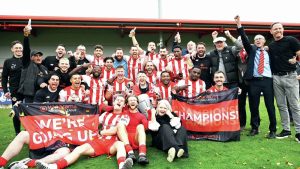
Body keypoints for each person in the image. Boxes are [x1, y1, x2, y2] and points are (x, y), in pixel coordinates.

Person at [36, 95, 133, 169]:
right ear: (113, 102)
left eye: (121, 101)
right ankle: (54, 167)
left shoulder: (125, 116)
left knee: (120, 144)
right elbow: (91, 123)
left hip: (112, 143)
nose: (119, 101)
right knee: (78, 149)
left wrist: (101, 132)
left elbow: (115, 130)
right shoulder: (105, 115)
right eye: (117, 100)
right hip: (98, 142)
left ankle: (122, 165)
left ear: (124, 105)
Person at [235, 15, 277, 138]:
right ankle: (255, 128)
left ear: (264, 41)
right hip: (254, 82)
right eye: (256, 39)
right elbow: (243, 38)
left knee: (270, 105)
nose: (258, 40)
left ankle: (273, 129)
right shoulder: (251, 50)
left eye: (260, 39)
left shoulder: (270, 50)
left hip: (268, 81)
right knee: (254, 105)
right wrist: (239, 25)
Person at [268, 22, 300, 141]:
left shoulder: (291, 40)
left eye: (280, 28)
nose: (278, 31)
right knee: (281, 105)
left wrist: (296, 59)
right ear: (271, 31)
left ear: (283, 29)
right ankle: (286, 130)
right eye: (275, 29)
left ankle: (298, 132)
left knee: (294, 105)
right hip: (276, 78)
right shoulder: (271, 45)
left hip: (290, 76)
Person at [18, 25, 48, 103]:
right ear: (31, 58)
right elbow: (27, 50)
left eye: (40, 56)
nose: (38, 57)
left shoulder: (44, 68)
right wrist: (26, 36)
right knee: (28, 115)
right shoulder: (27, 64)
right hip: (29, 96)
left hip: (41, 96)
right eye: (35, 56)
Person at [1, 40, 23, 135]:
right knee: (16, 112)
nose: (18, 49)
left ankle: (29, 132)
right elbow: (4, 77)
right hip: (15, 91)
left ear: (22, 49)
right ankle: (17, 133)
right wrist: (6, 90)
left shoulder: (27, 60)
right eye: (16, 48)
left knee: (28, 112)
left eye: (20, 48)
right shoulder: (8, 62)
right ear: (12, 49)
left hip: (28, 90)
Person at [122, 95, 149, 165]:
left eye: (134, 100)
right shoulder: (123, 112)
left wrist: (149, 113)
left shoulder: (141, 115)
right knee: (121, 125)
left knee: (140, 126)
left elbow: (146, 128)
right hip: (125, 137)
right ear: (127, 103)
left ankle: (142, 155)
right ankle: (130, 153)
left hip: (136, 138)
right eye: (130, 100)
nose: (132, 101)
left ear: (137, 103)